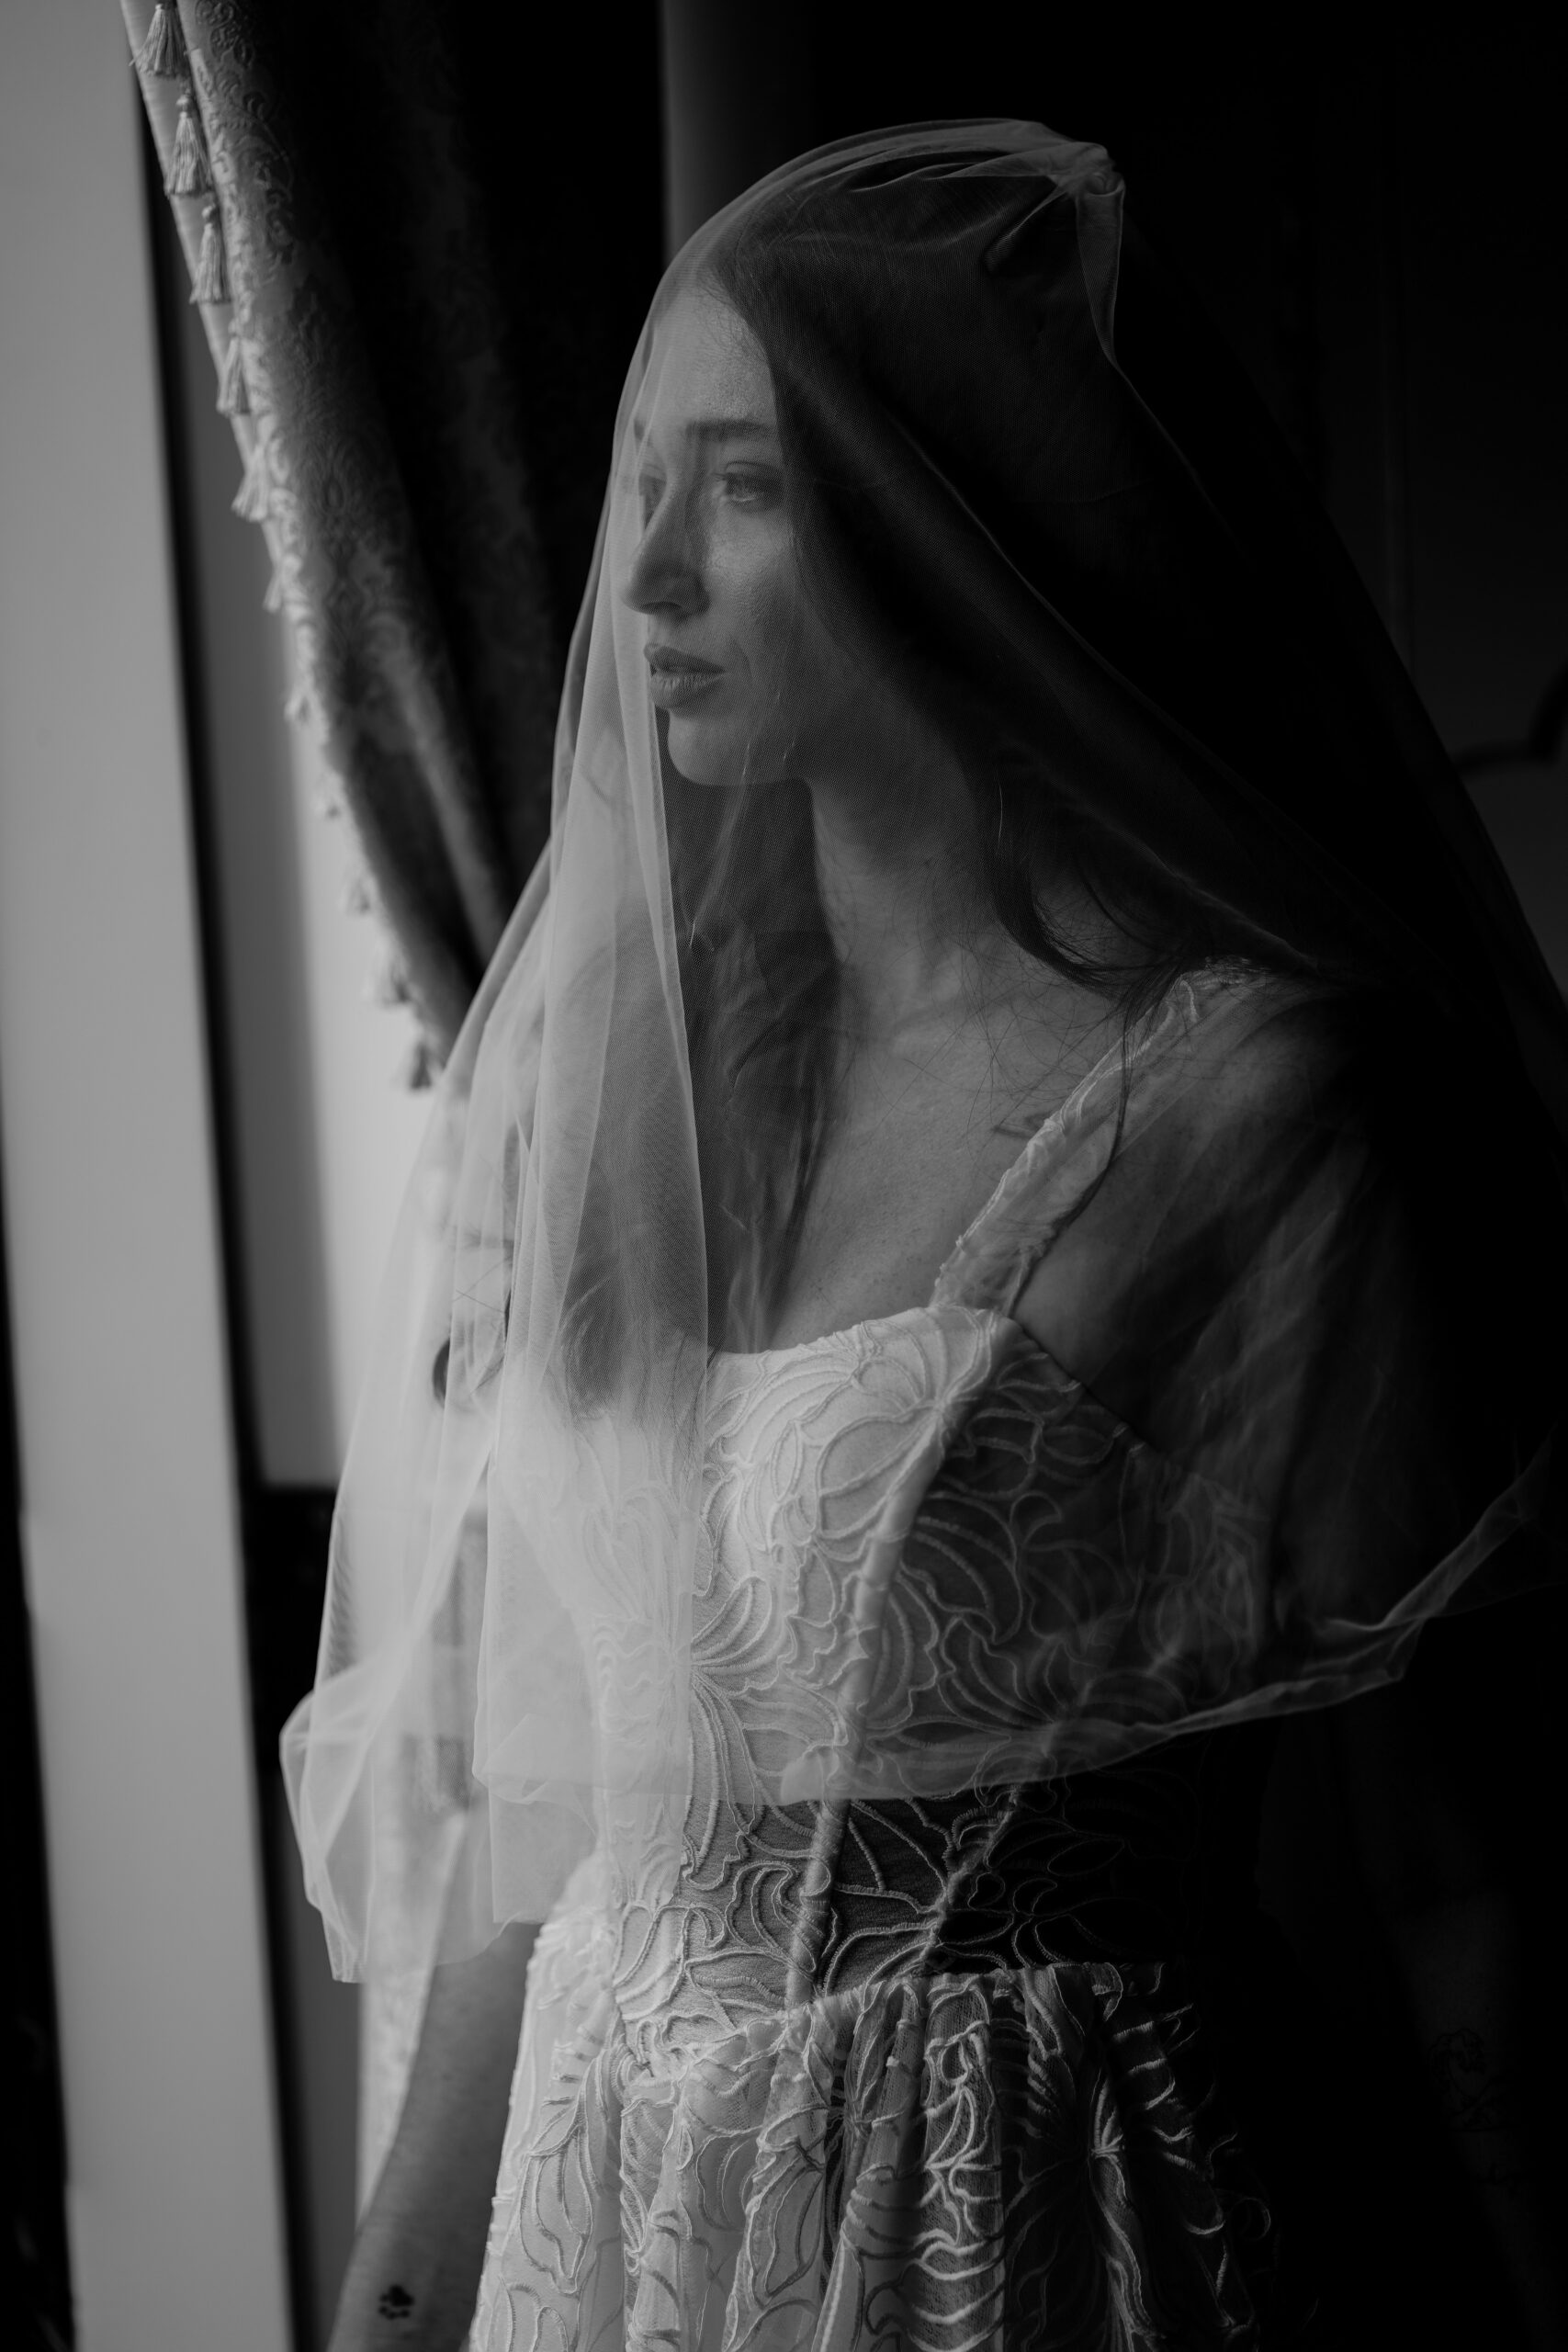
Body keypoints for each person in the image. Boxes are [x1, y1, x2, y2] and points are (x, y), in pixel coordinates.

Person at [287, 122, 1568, 2349]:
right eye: (641, 482)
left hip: (1028, 2235)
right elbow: (538, 1842)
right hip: (614, 2237)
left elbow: (1460, 1871)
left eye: (745, 489)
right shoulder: (635, 1089)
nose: (647, 577)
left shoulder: (1252, 1104)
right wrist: (389, 2309)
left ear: (955, 532)